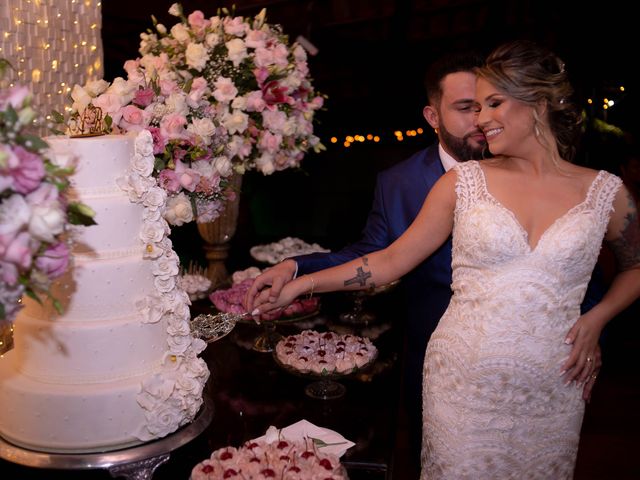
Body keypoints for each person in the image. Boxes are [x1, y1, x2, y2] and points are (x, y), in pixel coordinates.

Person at [246, 40, 640, 478]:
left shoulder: (606, 191)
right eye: (474, 106)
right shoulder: (463, 182)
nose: (482, 118)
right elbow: (389, 260)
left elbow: (636, 266)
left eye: (494, 103)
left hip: (553, 383)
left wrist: (598, 317)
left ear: (538, 104)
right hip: (462, 380)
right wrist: (302, 282)